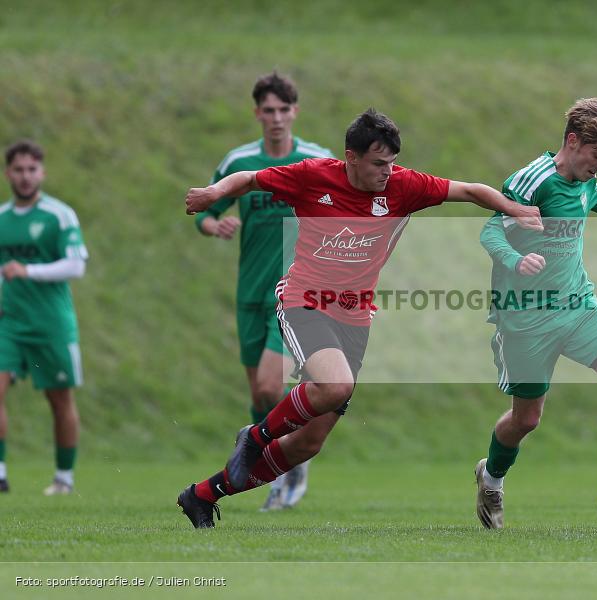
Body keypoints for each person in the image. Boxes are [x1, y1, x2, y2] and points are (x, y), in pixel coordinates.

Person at [176, 108, 542, 528]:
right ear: (351, 157)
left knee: (307, 443)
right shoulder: (314, 175)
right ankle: (256, 437)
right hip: (304, 301)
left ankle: (202, 495)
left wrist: (515, 210)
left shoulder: (403, 186)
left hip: (354, 319)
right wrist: (212, 194)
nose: (388, 171)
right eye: (377, 163)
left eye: (391, 162)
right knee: (334, 386)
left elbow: (471, 190)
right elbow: (250, 178)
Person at [474, 98, 597, 532]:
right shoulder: (533, 181)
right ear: (572, 141)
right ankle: (490, 477)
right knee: (526, 418)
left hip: (576, 305)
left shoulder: (587, 181)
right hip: (526, 319)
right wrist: (514, 260)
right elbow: (491, 230)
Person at [193, 72, 331, 511]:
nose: (275, 118)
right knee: (258, 395)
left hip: (294, 292)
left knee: (273, 384)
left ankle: (292, 466)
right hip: (249, 292)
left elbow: (344, 205)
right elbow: (207, 209)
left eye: (283, 110)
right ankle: (272, 469)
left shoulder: (315, 160)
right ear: (257, 113)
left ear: (295, 112)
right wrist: (214, 224)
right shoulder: (238, 162)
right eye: (267, 110)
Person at [0, 140, 89, 495]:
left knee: (60, 400)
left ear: (42, 172)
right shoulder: (2, 219)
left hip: (51, 323)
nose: (25, 177)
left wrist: (30, 271)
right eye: (18, 170)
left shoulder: (59, 215)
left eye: (31, 169)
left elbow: (76, 265)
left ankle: (64, 479)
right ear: (8, 173)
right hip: (9, 321)